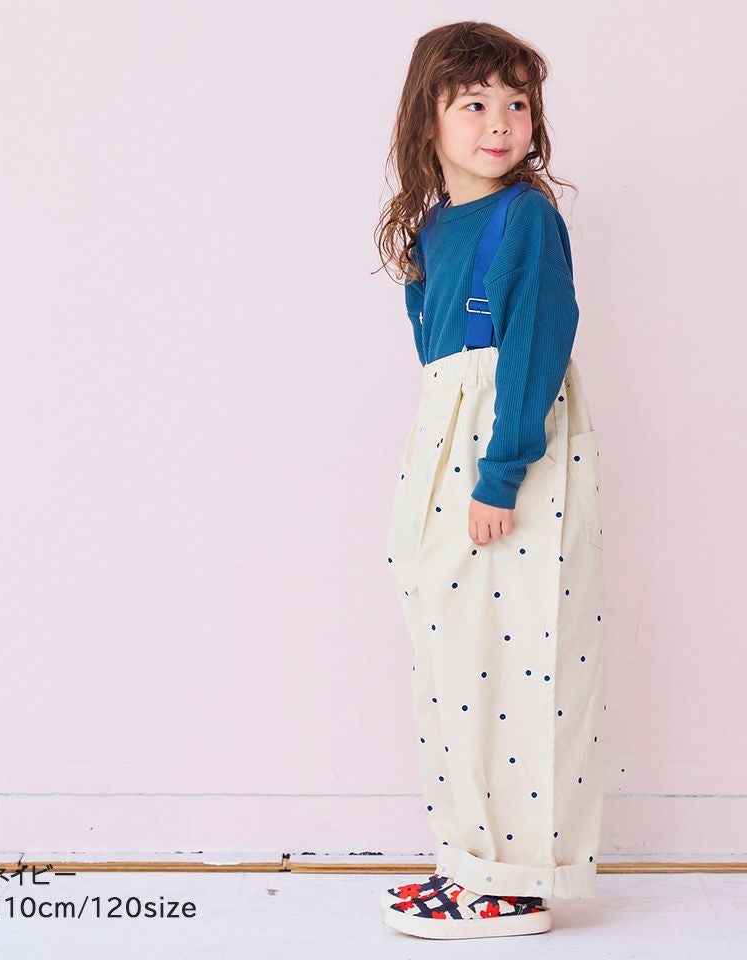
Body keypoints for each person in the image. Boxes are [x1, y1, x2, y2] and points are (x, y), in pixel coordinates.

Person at [374, 21, 607, 941]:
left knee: (516, 659)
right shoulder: (434, 228)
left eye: (517, 102)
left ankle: (514, 882)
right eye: (473, 103)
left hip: (506, 449)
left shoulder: (525, 219)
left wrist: (500, 472)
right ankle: (468, 860)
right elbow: (437, 356)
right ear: (426, 121)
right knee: (452, 656)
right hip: (446, 443)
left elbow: (534, 347)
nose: (500, 121)